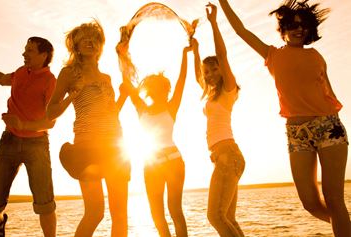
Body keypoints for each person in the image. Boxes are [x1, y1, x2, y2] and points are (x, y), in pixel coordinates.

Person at [216, 0, 350, 236]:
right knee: (309, 202)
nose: (298, 29)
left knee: (334, 198)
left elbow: (329, 93)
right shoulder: (272, 55)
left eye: (303, 26)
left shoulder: (316, 56)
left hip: (327, 126)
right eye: (292, 25)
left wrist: (334, 122)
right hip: (297, 133)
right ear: (284, 30)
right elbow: (241, 31)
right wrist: (222, 2)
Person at [47, 21, 130, 237]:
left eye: (94, 38)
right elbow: (50, 112)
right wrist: (72, 96)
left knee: (120, 215)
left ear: (101, 45)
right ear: (75, 45)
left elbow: (110, 114)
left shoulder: (107, 78)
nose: (89, 41)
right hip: (87, 148)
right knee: (95, 213)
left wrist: (123, 96)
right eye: (83, 38)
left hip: (115, 149)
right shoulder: (69, 74)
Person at [0, 36, 57, 237]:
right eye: (25, 49)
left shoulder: (50, 81)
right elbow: (1, 78)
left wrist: (24, 124)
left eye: (30, 50)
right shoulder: (20, 72)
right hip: (9, 141)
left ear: (44, 55)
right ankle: (0, 220)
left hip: (37, 144)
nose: (24, 54)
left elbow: (50, 122)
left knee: (45, 202)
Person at [118, 32, 191, 237]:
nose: (162, 92)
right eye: (157, 89)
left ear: (166, 91)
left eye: (164, 89)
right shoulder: (143, 108)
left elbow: (182, 80)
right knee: (157, 213)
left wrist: (186, 53)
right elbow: (127, 81)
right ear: (149, 91)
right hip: (154, 163)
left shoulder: (170, 107)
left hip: (172, 162)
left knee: (174, 210)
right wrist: (122, 54)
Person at [192, 3, 245, 236]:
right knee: (228, 217)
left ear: (222, 70)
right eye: (207, 72)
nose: (210, 75)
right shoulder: (212, 95)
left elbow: (222, 55)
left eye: (213, 70)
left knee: (215, 216)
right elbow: (198, 77)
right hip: (223, 158)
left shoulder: (228, 90)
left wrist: (214, 23)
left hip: (228, 156)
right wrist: (194, 50)